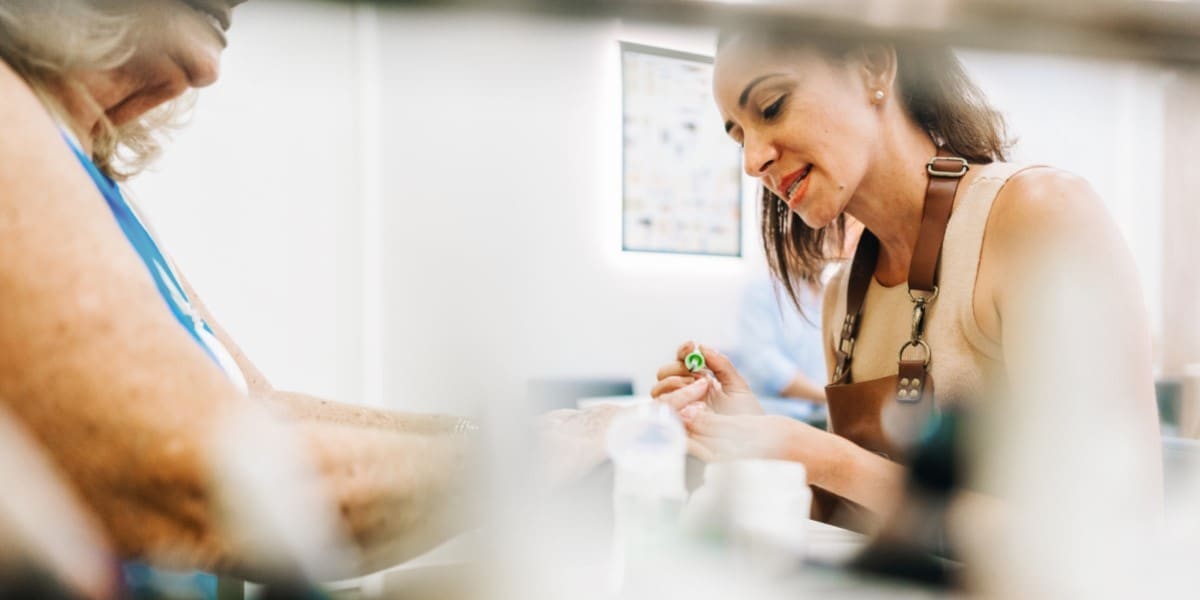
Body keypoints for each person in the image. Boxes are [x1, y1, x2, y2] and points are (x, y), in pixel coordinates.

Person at [0, 0, 614, 587]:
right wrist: (534, 455)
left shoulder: (88, 174)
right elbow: (198, 475)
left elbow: (258, 411)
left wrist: (533, 430)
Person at [651, 28, 1161, 528]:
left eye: (771, 106)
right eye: (739, 136)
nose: (752, 161)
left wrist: (829, 458)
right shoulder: (842, 297)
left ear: (873, 67)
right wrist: (757, 439)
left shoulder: (1042, 216)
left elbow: (1114, 530)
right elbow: (853, 521)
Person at [732, 274, 826, 403]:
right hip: (772, 407)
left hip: (820, 408)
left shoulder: (828, 294)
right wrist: (827, 396)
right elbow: (764, 361)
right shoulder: (762, 290)